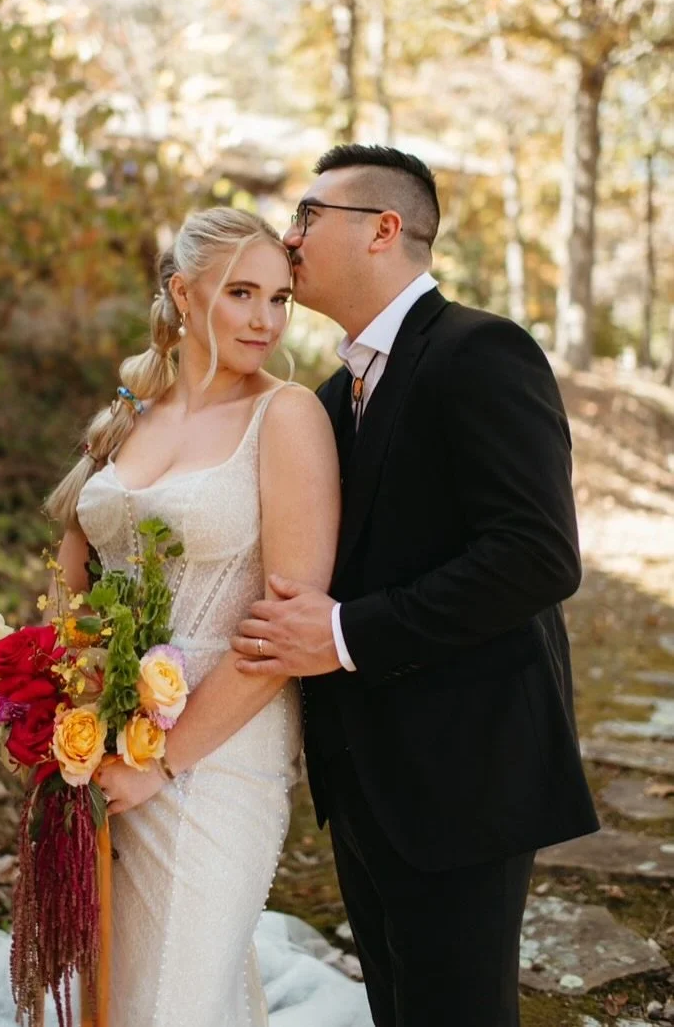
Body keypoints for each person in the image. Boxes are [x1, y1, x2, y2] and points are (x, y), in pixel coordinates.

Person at [0, 207, 374, 1027]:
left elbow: (285, 634)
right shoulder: (132, 418)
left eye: (280, 299)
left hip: (220, 750)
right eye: (242, 294)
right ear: (183, 295)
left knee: (170, 1001)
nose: (266, 319)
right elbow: (74, 595)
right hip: (100, 739)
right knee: (100, 992)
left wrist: (163, 761)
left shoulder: (286, 417)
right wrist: (52, 706)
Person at [232, 145, 600, 1027]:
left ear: (384, 230)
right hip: (366, 780)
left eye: (309, 217)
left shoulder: (482, 352)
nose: (289, 238)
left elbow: (538, 553)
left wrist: (348, 635)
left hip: (467, 771)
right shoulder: (327, 397)